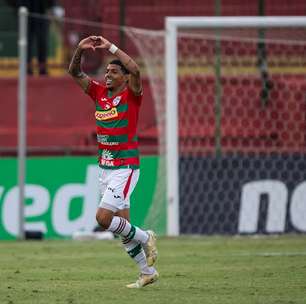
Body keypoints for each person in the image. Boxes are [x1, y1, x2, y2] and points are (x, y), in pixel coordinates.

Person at [68, 35, 158, 288]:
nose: (107, 75)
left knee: (103, 218)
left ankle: (146, 236)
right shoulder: (98, 92)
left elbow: (137, 68)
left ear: (125, 77)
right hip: (105, 169)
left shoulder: (132, 95)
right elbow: (73, 72)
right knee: (121, 227)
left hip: (125, 167)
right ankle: (147, 271)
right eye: (106, 71)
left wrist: (110, 46)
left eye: (114, 71)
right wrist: (79, 50)